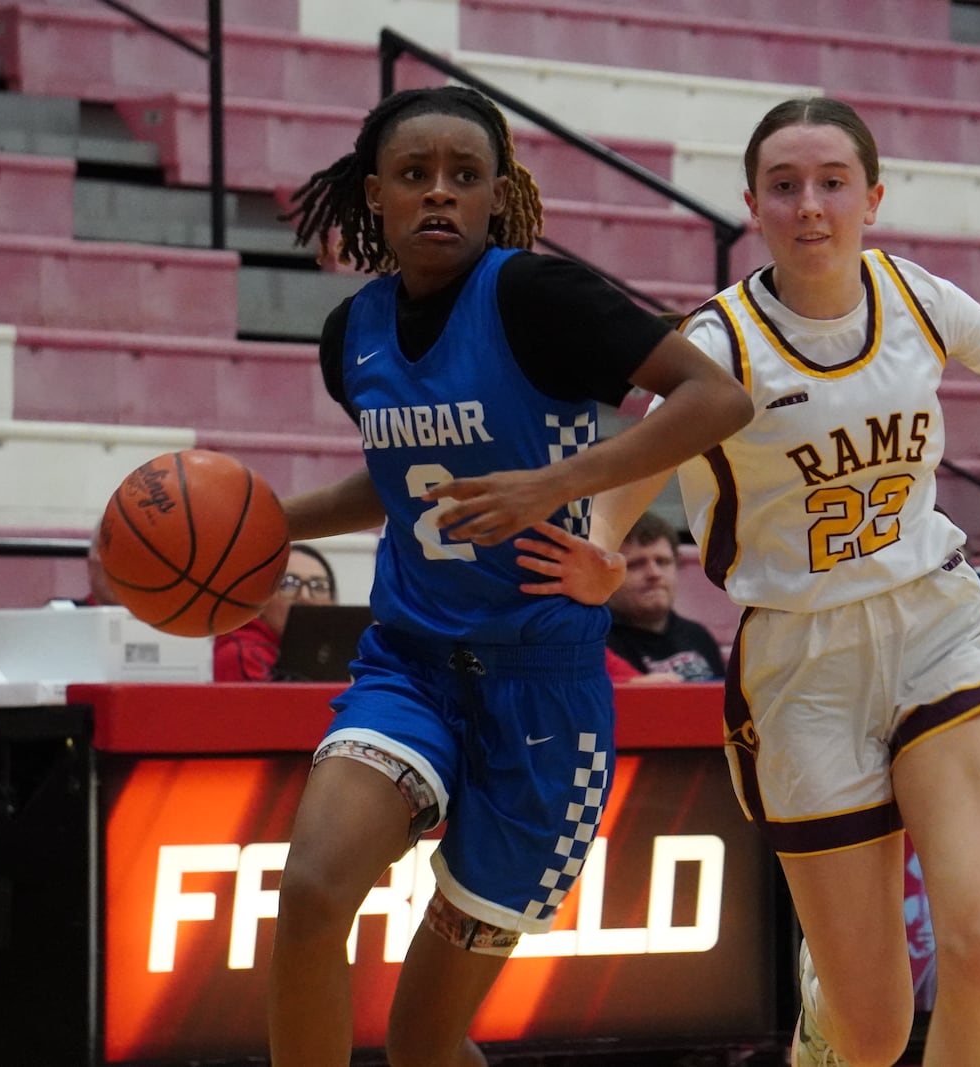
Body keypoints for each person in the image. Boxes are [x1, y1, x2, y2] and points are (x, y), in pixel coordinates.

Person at [521, 96, 980, 1067]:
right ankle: (825, 1022)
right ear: (752, 204)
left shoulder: (919, 298)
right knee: (873, 1025)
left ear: (871, 197)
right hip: (801, 661)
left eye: (832, 182)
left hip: (935, 626)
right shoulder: (716, 345)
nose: (810, 205)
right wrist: (596, 544)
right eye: (786, 186)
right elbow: (630, 473)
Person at [266, 85, 752, 1067]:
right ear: (376, 195)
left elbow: (717, 397)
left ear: (497, 195)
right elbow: (403, 484)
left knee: (423, 1039)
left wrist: (558, 484)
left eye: (463, 176)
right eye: (414, 176)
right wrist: (262, 525)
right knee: (313, 893)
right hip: (409, 666)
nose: (438, 194)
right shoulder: (350, 337)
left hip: (544, 701)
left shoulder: (540, 298)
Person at [605, 510, 725, 682]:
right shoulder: (592, 643)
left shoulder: (698, 635)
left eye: (662, 561)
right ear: (605, 575)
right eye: (635, 565)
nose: (654, 573)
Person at [213, 543, 338, 682]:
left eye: (318, 586)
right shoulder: (242, 654)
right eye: (289, 583)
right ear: (260, 601)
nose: (305, 596)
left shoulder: (340, 652)